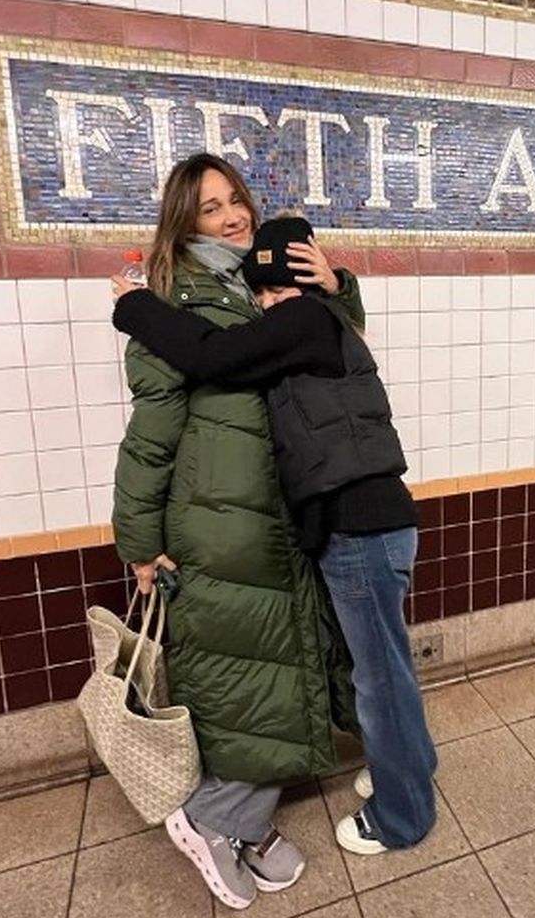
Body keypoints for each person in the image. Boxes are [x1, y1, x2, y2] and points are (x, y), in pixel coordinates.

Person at [112, 214, 438, 858]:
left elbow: (213, 354)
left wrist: (136, 307)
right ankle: (410, 771)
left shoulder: (308, 321)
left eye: (276, 290)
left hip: (361, 530)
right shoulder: (319, 323)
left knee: (379, 680)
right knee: (384, 670)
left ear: (301, 288)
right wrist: (341, 284)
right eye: (259, 294)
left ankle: (402, 817)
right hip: (366, 528)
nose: (266, 306)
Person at [111, 154, 363, 911]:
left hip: (277, 513)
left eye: (235, 201)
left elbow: (336, 350)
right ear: (183, 225)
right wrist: (137, 538)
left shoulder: (256, 287)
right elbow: (150, 435)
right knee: (252, 679)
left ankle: (245, 823)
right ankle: (215, 815)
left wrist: (336, 286)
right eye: (209, 208)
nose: (231, 216)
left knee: (279, 674)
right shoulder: (173, 304)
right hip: (220, 520)